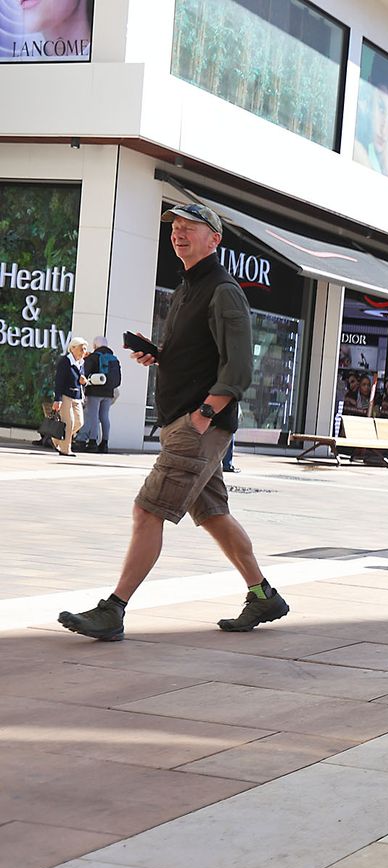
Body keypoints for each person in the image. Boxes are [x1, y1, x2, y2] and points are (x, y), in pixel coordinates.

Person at [58, 203, 289, 641]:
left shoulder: (224, 291)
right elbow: (202, 355)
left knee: (147, 510)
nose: (178, 234)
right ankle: (263, 595)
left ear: (214, 239)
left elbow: (239, 368)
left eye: (190, 228)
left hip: (198, 426)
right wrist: (160, 356)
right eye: (175, 227)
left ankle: (113, 610)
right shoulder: (188, 288)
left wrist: (203, 416)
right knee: (214, 515)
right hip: (186, 423)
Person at [79, 338, 120, 453]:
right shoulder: (114, 359)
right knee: (104, 416)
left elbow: (84, 373)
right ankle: (105, 443)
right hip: (109, 392)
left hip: (94, 392)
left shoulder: (93, 357)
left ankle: (93, 442)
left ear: (95, 345)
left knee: (93, 416)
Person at [51, 337, 88, 457]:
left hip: (77, 396)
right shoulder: (65, 361)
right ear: (72, 348)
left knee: (79, 422)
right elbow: (59, 381)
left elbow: (80, 380)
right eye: (81, 349)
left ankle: (57, 438)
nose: (84, 352)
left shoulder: (81, 362)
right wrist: (58, 399)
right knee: (69, 423)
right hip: (66, 396)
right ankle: (65, 449)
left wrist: (84, 381)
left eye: (85, 349)